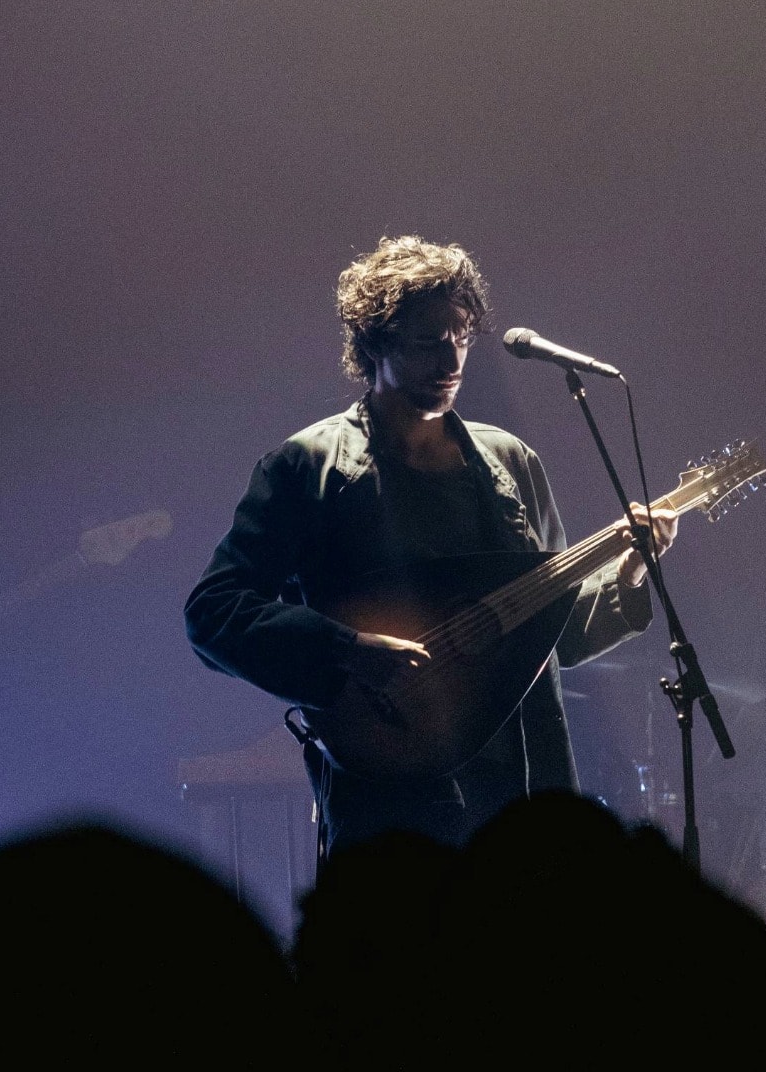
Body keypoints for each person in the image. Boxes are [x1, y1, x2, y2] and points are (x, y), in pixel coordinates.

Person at [186, 236, 677, 852]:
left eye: (462, 336)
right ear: (375, 343)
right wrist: (346, 649)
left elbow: (556, 633)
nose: (451, 360)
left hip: (519, 802)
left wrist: (628, 573)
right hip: (388, 805)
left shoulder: (510, 462)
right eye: (427, 342)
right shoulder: (307, 467)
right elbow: (213, 612)